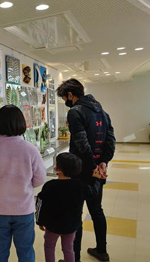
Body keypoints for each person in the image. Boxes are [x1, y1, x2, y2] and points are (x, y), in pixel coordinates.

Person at [56, 78, 116, 262]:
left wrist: (91, 167)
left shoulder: (75, 112)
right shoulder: (103, 112)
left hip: (81, 171)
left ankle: (75, 258)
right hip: (97, 171)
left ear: (71, 95)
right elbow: (111, 140)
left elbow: (82, 144)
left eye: (65, 97)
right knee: (96, 209)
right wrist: (102, 163)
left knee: (76, 213)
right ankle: (102, 251)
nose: (66, 102)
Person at [0, 105, 46, 262]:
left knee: (0, 251)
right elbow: (40, 178)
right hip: (24, 210)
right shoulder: (30, 149)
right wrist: (24, 184)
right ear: (21, 123)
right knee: (26, 251)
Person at [35, 153, 102, 262]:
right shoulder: (80, 186)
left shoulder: (50, 185)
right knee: (68, 249)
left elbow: (40, 204)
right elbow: (93, 192)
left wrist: (40, 221)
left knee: (49, 247)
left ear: (58, 169)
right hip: (72, 225)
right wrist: (96, 179)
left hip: (52, 226)